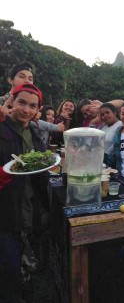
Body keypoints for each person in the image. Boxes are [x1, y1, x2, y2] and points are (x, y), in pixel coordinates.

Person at [0, 83, 49, 301]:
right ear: (12, 101)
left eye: (32, 105)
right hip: (6, 210)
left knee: (25, 258)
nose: (26, 110)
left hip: (29, 207)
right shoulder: (1, 128)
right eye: (21, 102)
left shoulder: (34, 132)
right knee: (8, 267)